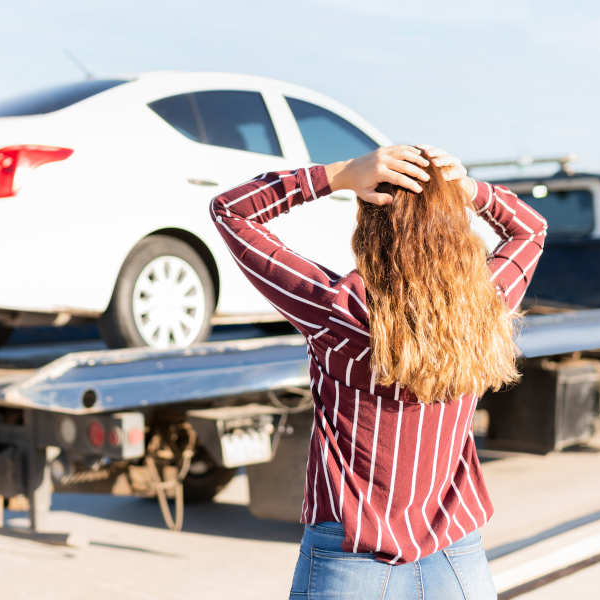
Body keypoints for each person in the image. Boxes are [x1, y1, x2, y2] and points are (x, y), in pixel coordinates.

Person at [209, 145, 548, 599]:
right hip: (454, 554)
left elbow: (230, 211)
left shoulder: (338, 310)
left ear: (369, 229)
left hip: (349, 551)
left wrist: (338, 173)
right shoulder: (483, 307)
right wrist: (467, 191)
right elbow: (532, 229)